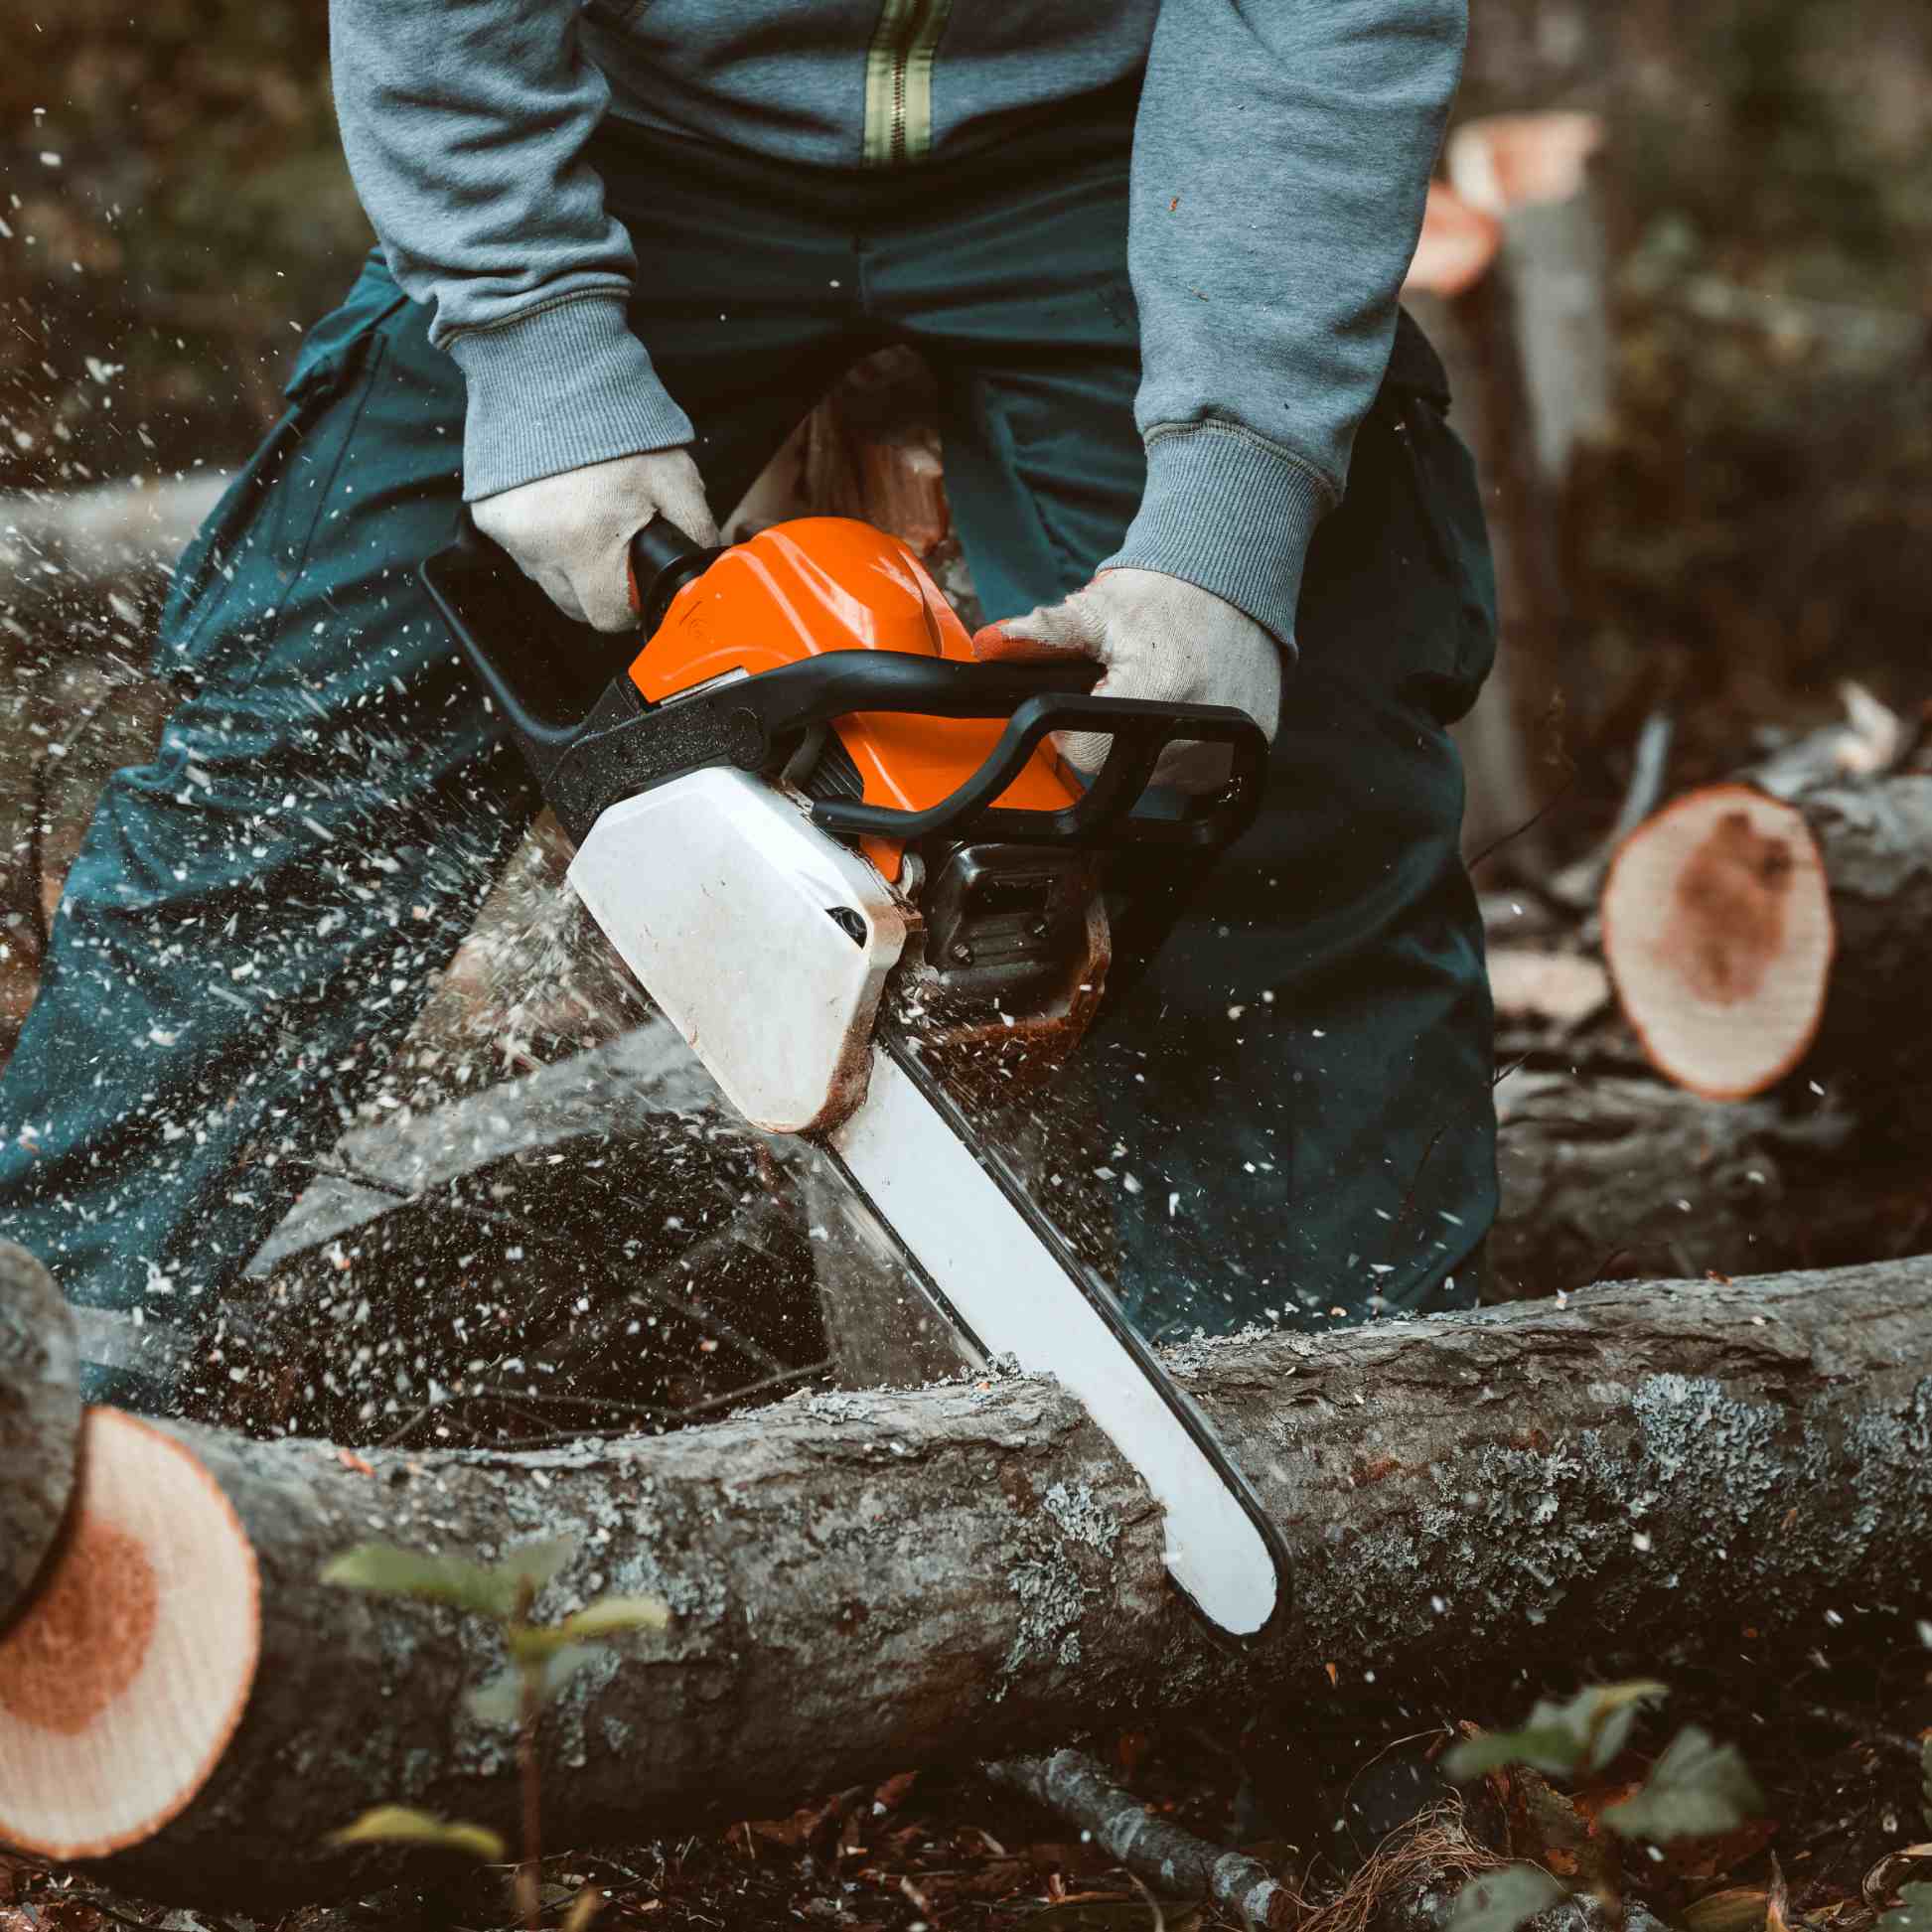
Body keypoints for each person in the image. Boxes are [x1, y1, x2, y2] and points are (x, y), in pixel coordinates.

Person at [0, 0, 1499, 1407]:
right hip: (632, 128)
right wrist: (532, 336)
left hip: (1135, 140)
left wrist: (1230, 503)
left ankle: (1336, 1449)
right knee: (311, 730)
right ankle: (56, 1358)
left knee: (1272, 789)